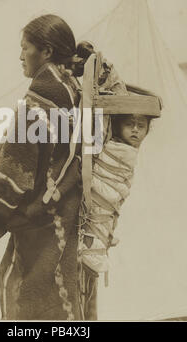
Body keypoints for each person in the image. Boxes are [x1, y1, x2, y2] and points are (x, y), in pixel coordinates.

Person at [0, 14, 96, 320]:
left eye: (25, 47)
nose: (21, 55)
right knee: (61, 296)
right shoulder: (72, 88)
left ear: (45, 52)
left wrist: (0, 212)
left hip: (38, 218)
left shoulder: (41, 98)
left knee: (27, 298)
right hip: (64, 212)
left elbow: (15, 166)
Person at [80, 113, 152, 277]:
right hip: (99, 199)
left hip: (105, 203)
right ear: (118, 126)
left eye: (141, 126)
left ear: (147, 130)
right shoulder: (112, 146)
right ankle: (92, 247)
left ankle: (95, 244)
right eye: (129, 124)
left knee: (106, 207)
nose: (135, 130)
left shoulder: (129, 154)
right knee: (103, 205)